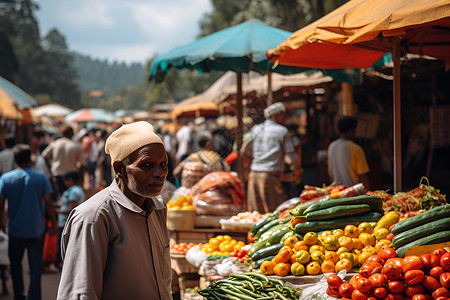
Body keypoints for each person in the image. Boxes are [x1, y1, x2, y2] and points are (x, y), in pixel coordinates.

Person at [57, 121, 172, 300]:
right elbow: (79, 294)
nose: (160, 172)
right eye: (147, 165)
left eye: (163, 164)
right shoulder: (93, 218)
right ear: (120, 169)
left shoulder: (157, 208)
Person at [0, 144, 58, 300]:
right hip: (36, 230)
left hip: (15, 230)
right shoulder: (41, 178)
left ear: (15, 159)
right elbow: (48, 203)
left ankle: (19, 295)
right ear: (30, 159)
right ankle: (34, 297)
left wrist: (1, 225)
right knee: (35, 269)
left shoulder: (6, 178)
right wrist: (53, 223)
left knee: (16, 266)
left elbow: (0, 205)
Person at [243, 102, 301, 213]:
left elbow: (244, 151)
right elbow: (291, 155)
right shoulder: (282, 131)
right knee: (275, 213)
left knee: (256, 213)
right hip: (270, 177)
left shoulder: (256, 129)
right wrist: (297, 170)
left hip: (254, 174)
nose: (285, 118)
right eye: (284, 115)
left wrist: (248, 168)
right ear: (277, 115)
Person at [328, 116, 370, 189]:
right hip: (354, 194)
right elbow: (363, 177)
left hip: (337, 193)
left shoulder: (332, 146)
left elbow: (331, 174)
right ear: (351, 130)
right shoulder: (356, 149)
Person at [54, 171, 85, 270]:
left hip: (66, 224)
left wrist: (56, 212)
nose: (65, 183)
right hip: (70, 223)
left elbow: (72, 210)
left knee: (63, 250)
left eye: (66, 180)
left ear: (71, 180)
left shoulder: (73, 191)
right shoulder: (78, 190)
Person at [42, 126, 84, 198]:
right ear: (72, 134)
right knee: (72, 197)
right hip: (72, 177)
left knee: (60, 196)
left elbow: (44, 155)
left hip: (58, 174)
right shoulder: (76, 145)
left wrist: (50, 167)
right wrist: (80, 177)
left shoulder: (55, 143)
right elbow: (82, 164)